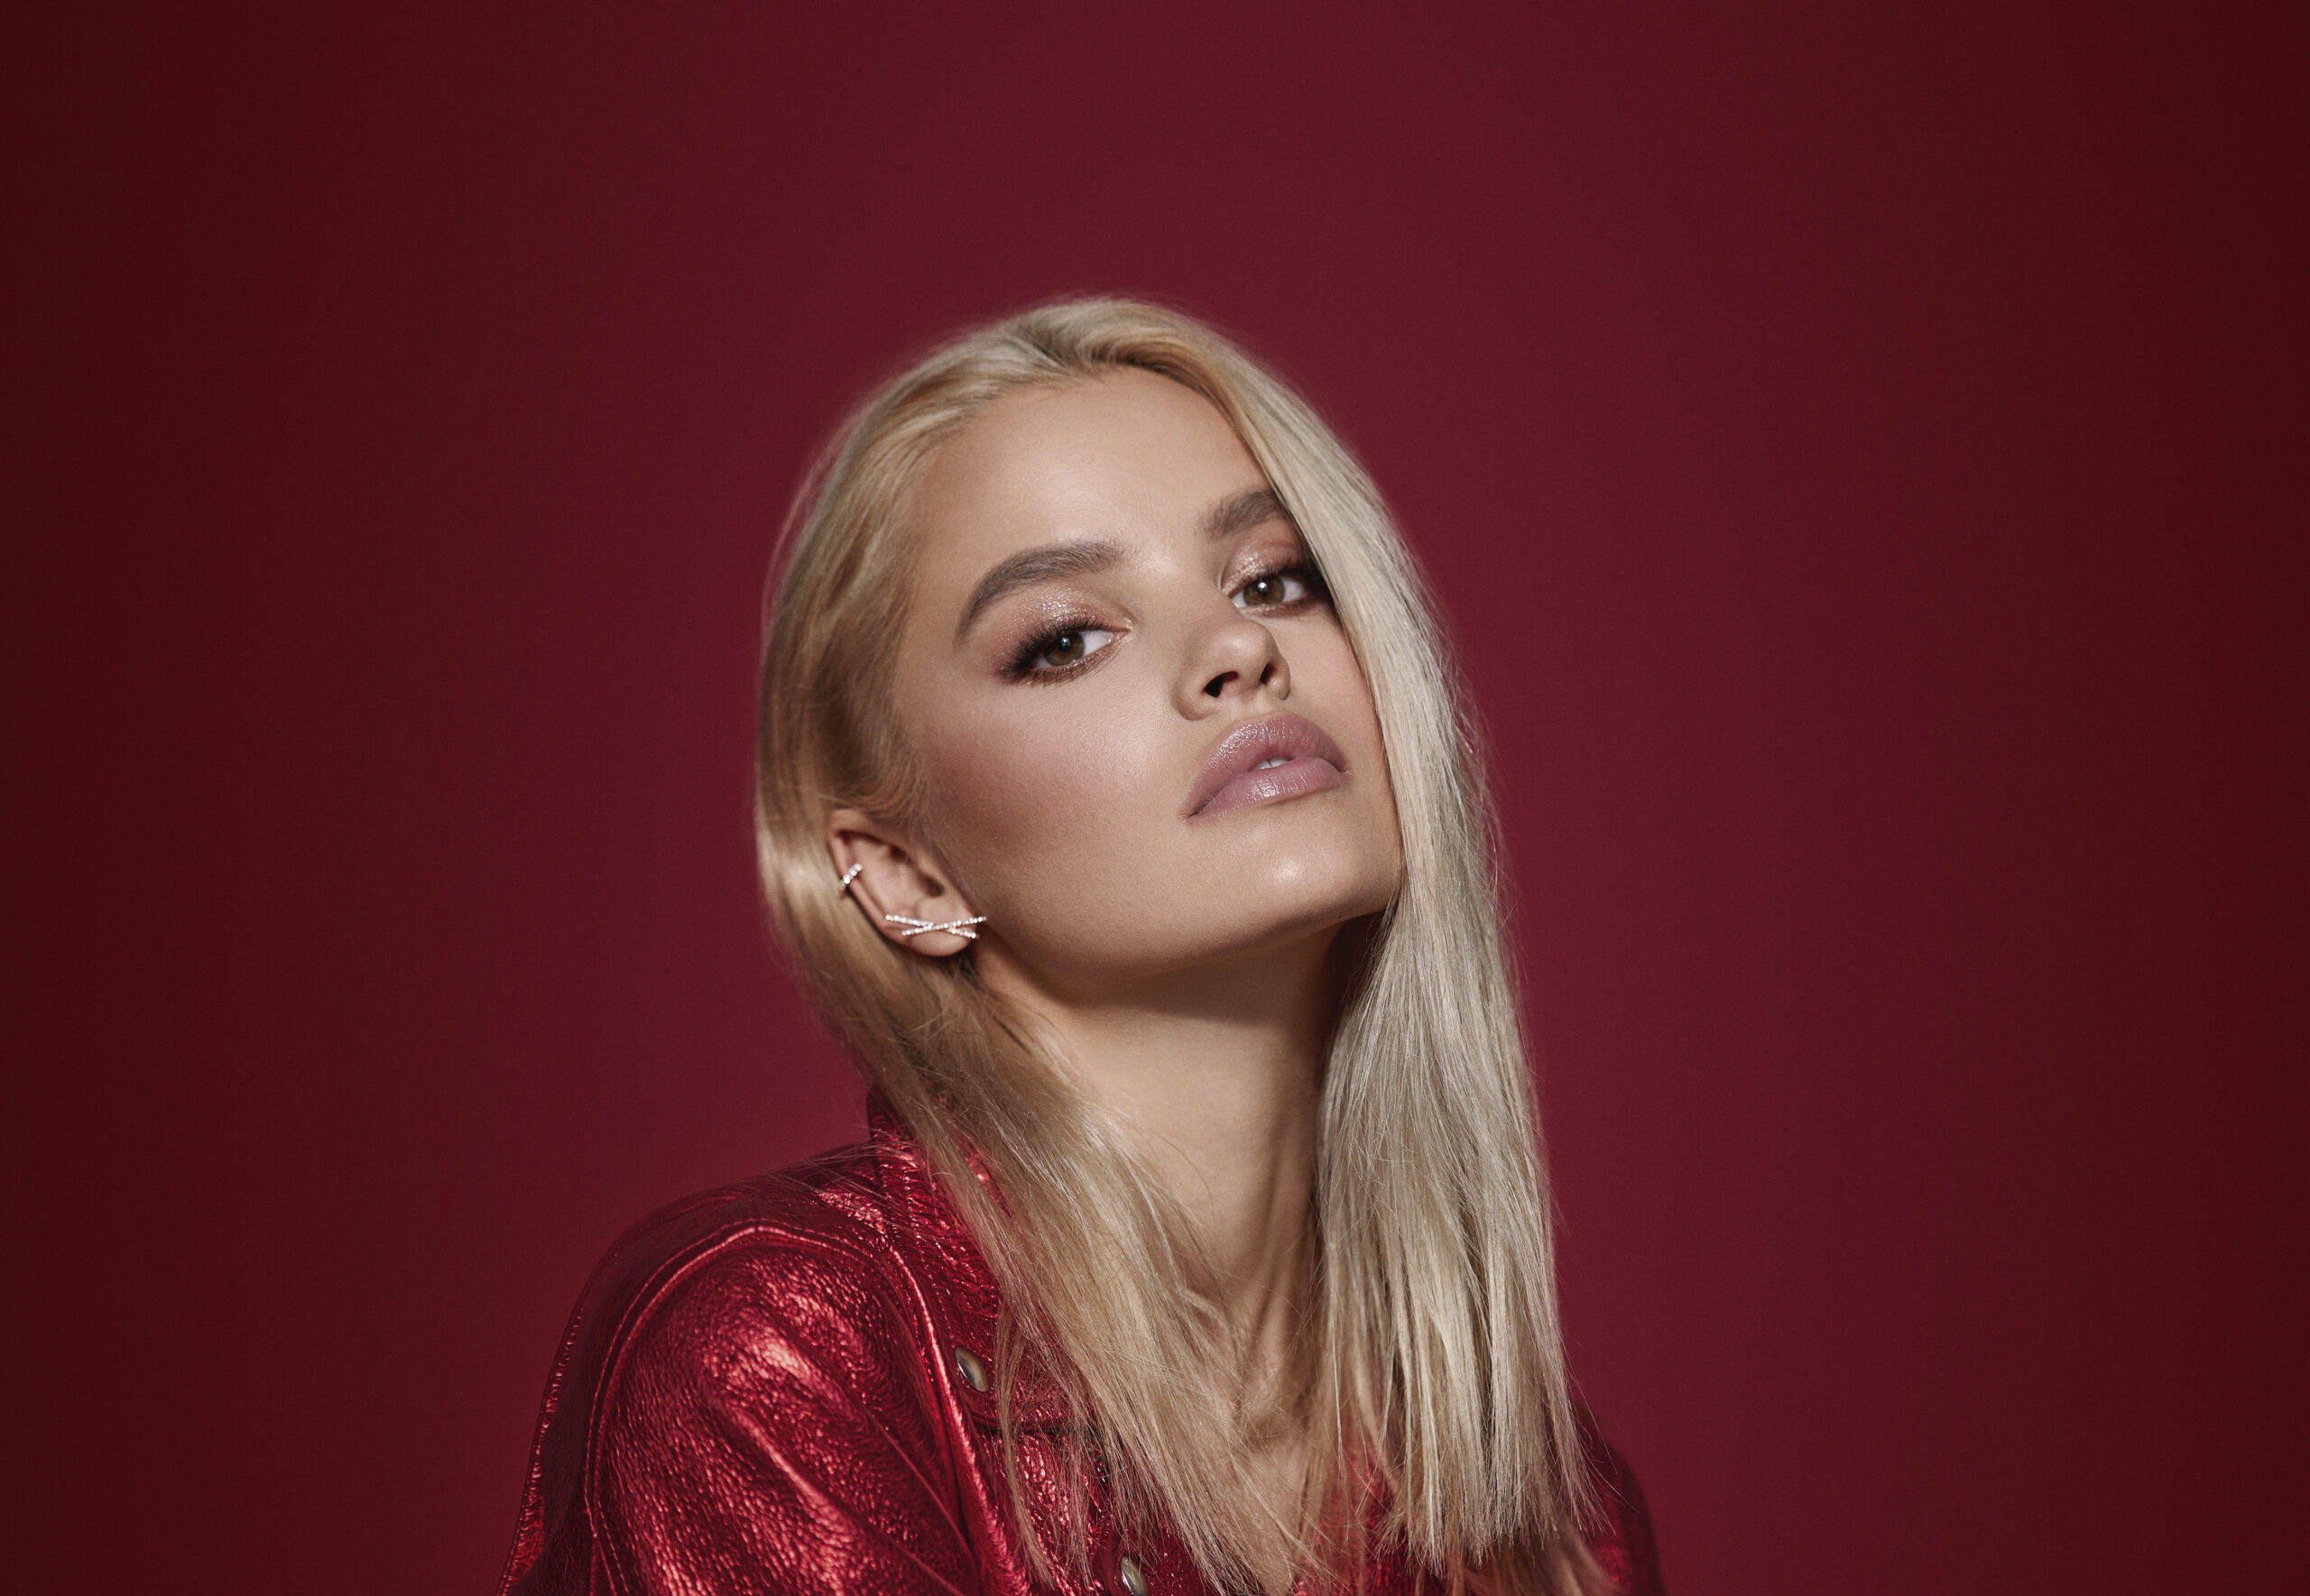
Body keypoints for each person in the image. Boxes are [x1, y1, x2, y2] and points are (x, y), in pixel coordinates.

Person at [498, 300, 1666, 1596]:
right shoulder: (778, 1348)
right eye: (1064, 640)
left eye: (1277, 578)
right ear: (906, 870)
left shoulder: (1561, 1521)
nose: (1239, 649)